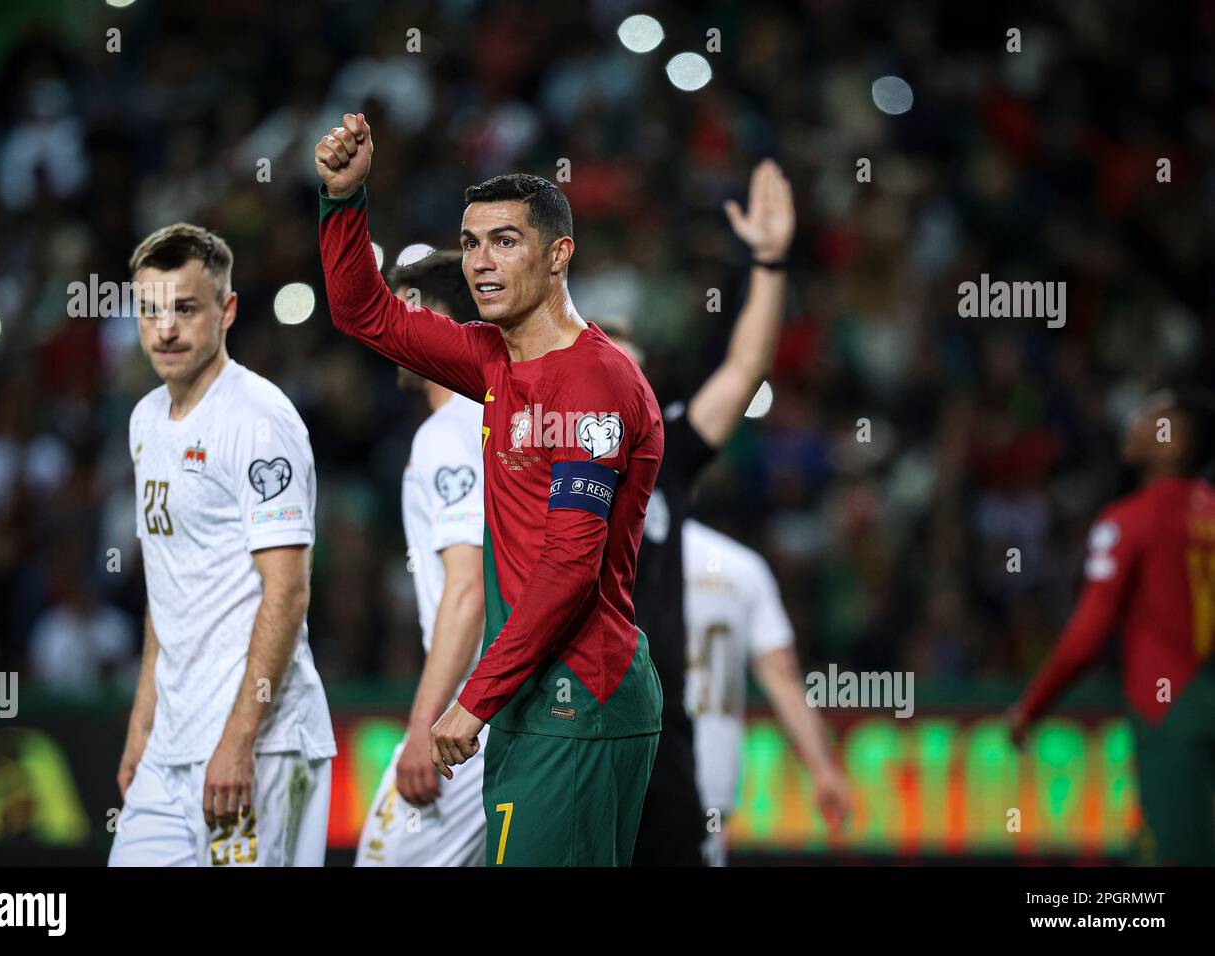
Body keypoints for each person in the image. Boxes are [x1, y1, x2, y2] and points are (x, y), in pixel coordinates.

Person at [316, 112, 663, 866]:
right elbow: (362, 312)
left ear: (559, 253)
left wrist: (473, 698)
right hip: (532, 702)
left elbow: (571, 566)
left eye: (505, 241)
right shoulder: (492, 362)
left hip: (578, 698)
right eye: (471, 243)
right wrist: (344, 202)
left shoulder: (595, 383)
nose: (480, 261)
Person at [109, 223, 336, 867]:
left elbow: (287, 592)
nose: (166, 329)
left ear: (226, 310)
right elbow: (168, 584)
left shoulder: (258, 421)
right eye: (150, 311)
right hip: (170, 750)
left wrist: (241, 737)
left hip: (259, 747)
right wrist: (142, 725)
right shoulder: (145, 420)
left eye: (185, 308)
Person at [609, 159, 797, 866]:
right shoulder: (545, 457)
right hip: (573, 721)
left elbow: (744, 369)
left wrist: (770, 261)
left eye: (634, 370)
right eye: (605, 365)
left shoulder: (667, 455)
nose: (622, 381)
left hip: (663, 728)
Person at [1008, 387, 1215, 865]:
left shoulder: (1129, 521)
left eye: (1152, 416)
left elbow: (1086, 637)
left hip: (1170, 712)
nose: (1136, 422)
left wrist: (1031, 706)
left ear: (1174, 442)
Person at [356, 252, 488, 866]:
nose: (387, 329)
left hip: (467, 720)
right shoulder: (494, 420)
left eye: (398, 308)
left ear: (429, 315)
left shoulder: (445, 434)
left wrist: (421, 727)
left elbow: (467, 591)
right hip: (509, 706)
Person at [683, 519, 852, 865]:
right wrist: (823, 768)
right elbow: (782, 678)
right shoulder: (738, 565)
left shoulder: (609, 546)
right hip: (705, 784)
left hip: (625, 776)